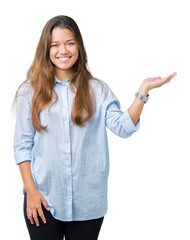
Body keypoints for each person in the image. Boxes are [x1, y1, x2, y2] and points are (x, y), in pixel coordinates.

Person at [13, 15, 177, 240]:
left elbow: (124, 127)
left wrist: (143, 91)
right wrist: (31, 191)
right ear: (45, 50)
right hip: (43, 199)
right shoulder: (29, 92)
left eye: (69, 43)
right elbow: (23, 146)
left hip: (88, 203)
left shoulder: (97, 90)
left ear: (79, 46)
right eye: (55, 45)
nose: (63, 50)